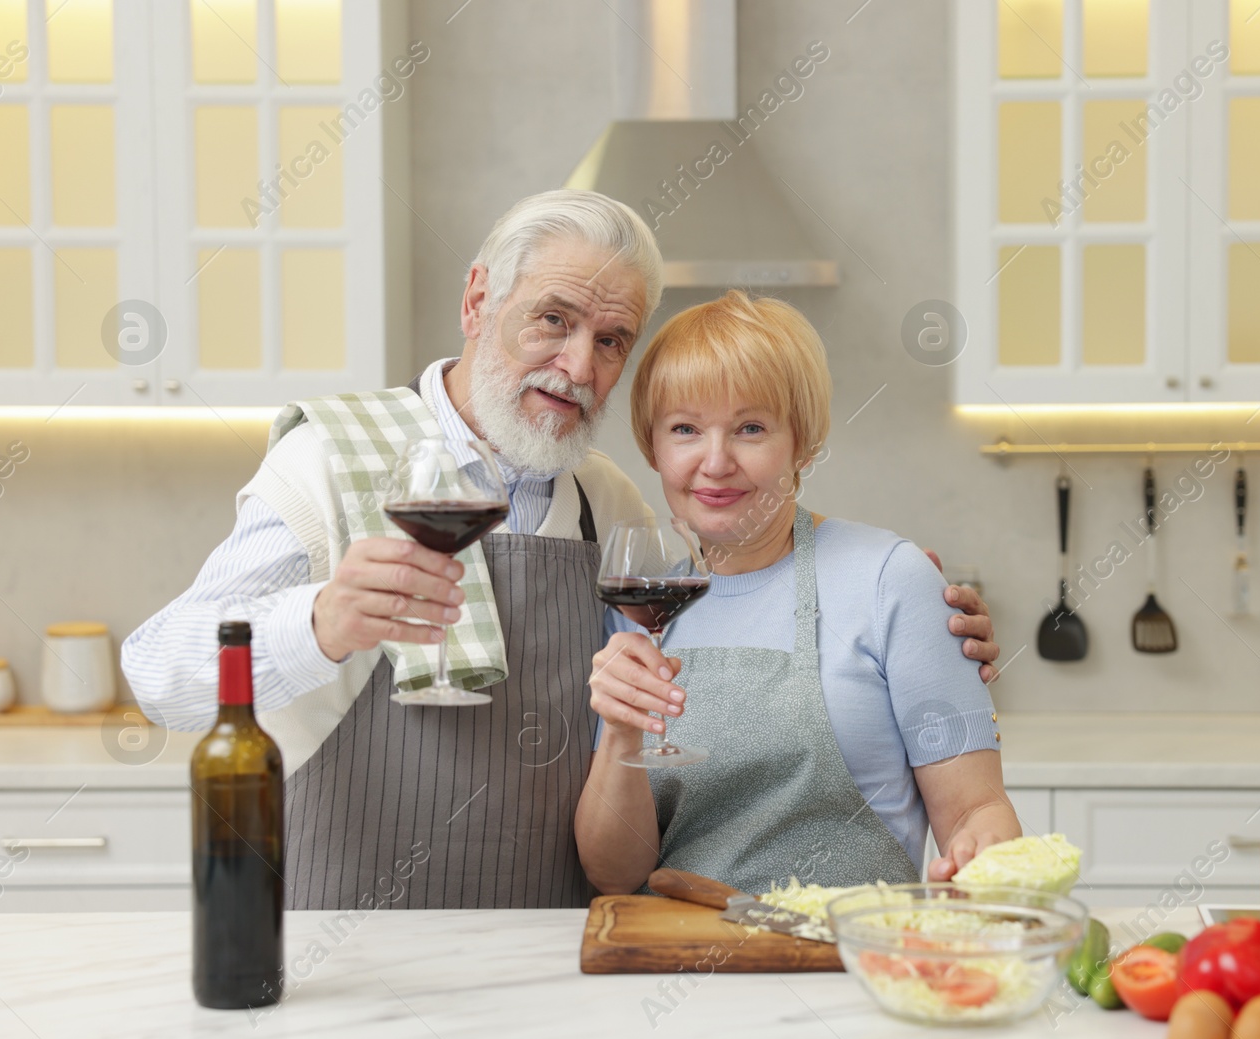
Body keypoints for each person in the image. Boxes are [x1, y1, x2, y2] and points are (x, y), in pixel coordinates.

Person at [123, 190, 1001, 909]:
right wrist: (316, 622)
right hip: (361, 941)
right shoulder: (329, 459)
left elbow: (745, 607)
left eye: (611, 339)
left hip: (552, 961)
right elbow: (158, 672)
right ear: (477, 301)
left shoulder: (608, 506)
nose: (578, 365)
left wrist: (912, 613)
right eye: (553, 319)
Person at [578, 291, 1022, 895]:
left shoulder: (892, 579)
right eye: (684, 428)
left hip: (845, 967)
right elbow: (613, 877)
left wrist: (983, 861)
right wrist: (623, 733)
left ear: (804, 444)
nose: (715, 462)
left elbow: (976, 811)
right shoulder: (644, 606)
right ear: (653, 446)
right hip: (680, 965)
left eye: (751, 428)